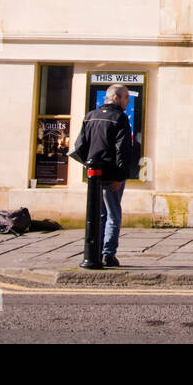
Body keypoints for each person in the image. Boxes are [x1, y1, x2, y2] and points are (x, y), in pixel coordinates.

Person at [72, 84, 137, 267]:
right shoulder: (120, 118)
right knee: (113, 214)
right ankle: (108, 253)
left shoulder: (90, 116)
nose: (128, 101)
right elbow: (122, 150)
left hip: (95, 175)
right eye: (125, 97)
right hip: (111, 175)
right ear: (115, 98)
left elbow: (80, 146)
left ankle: (95, 251)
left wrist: (90, 165)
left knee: (98, 214)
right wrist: (120, 176)